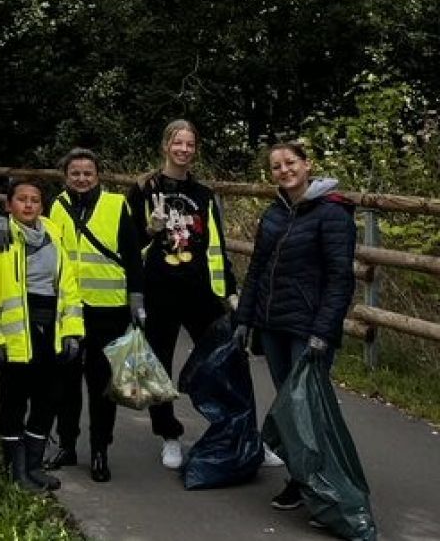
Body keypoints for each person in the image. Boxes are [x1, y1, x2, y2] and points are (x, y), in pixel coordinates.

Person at [232, 143, 356, 512]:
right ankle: (302, 479)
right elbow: (257, 268)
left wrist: (323, 330)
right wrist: (245, 319)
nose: (284, 170)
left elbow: (339, 279)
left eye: (290, 163)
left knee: (310, 409)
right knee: (289, 406)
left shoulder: (332, 213)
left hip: (308, 328)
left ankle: (325, 489)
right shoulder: (274, 213)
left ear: (307, 165)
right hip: (273, 325)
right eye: (276, 166)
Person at [126, 119, 240, 470]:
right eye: (178, 143)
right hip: (159, 290)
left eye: (190, 145)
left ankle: (234, 429)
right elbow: (128, 246)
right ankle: (169, 435)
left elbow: (217, 244)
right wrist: (151, 229)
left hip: (200, 290)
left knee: (223, 359)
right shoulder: (143, 189)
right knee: (158, 364)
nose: (184, 150)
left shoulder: (204, 194)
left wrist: (230, 290)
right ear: (165, 146)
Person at [0, 179, 83, 492]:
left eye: (35, 199)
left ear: (42, 206)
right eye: (22, 199)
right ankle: (16, 470)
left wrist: (73, 332)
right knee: (14, 403)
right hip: (17, 337)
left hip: (52, 334)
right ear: (9, 205)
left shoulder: (54, 236)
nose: (29, 205)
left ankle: (35, 466)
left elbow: (69, 288)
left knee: (48, 401)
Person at [44, 148, 144, 482]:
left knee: (101, 385)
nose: (82, 178)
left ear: (98, 175)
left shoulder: (116, 205)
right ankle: (68, 445)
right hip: (69, 309)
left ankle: (100, 449)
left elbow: (132, 255)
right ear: (66, 176)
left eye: (88, 172)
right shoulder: (57, 206)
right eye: (75, 173)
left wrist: (136, 302)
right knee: (65, 383)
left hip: (109, 309)